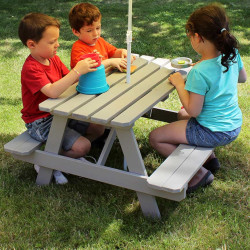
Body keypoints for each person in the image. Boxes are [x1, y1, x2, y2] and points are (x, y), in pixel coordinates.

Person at [149, 3, 247, 193]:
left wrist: (179, 84)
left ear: (198, 37)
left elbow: (194, 110)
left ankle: (199, 174)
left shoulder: (199, 72)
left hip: (212, 130)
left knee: (155, 138)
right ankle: (210, 159)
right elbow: (242, 78)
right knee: (181, 115)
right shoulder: (232, 53)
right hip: (232, 124)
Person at [18, 13, 105, 184]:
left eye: (57, 40)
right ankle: (47, 162)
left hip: (60, 113)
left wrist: (89, 63)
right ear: (32, 44)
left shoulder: (53, 59)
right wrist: (77, 71)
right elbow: (52, 92)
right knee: (83, 147)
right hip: (40, 122)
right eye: (52, 42)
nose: (57, 45)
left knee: (98, 128)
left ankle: (66, 156)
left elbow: (71, 80)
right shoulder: (31, 68)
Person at [68, 2, 135, 72]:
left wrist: (123, 52)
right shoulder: (78, 49)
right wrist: (110, 62)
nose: (95, 33)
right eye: (89, 31)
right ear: (76, 32)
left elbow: (113, 52)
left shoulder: (100, 41)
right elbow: (87, 71)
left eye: (98, 28)